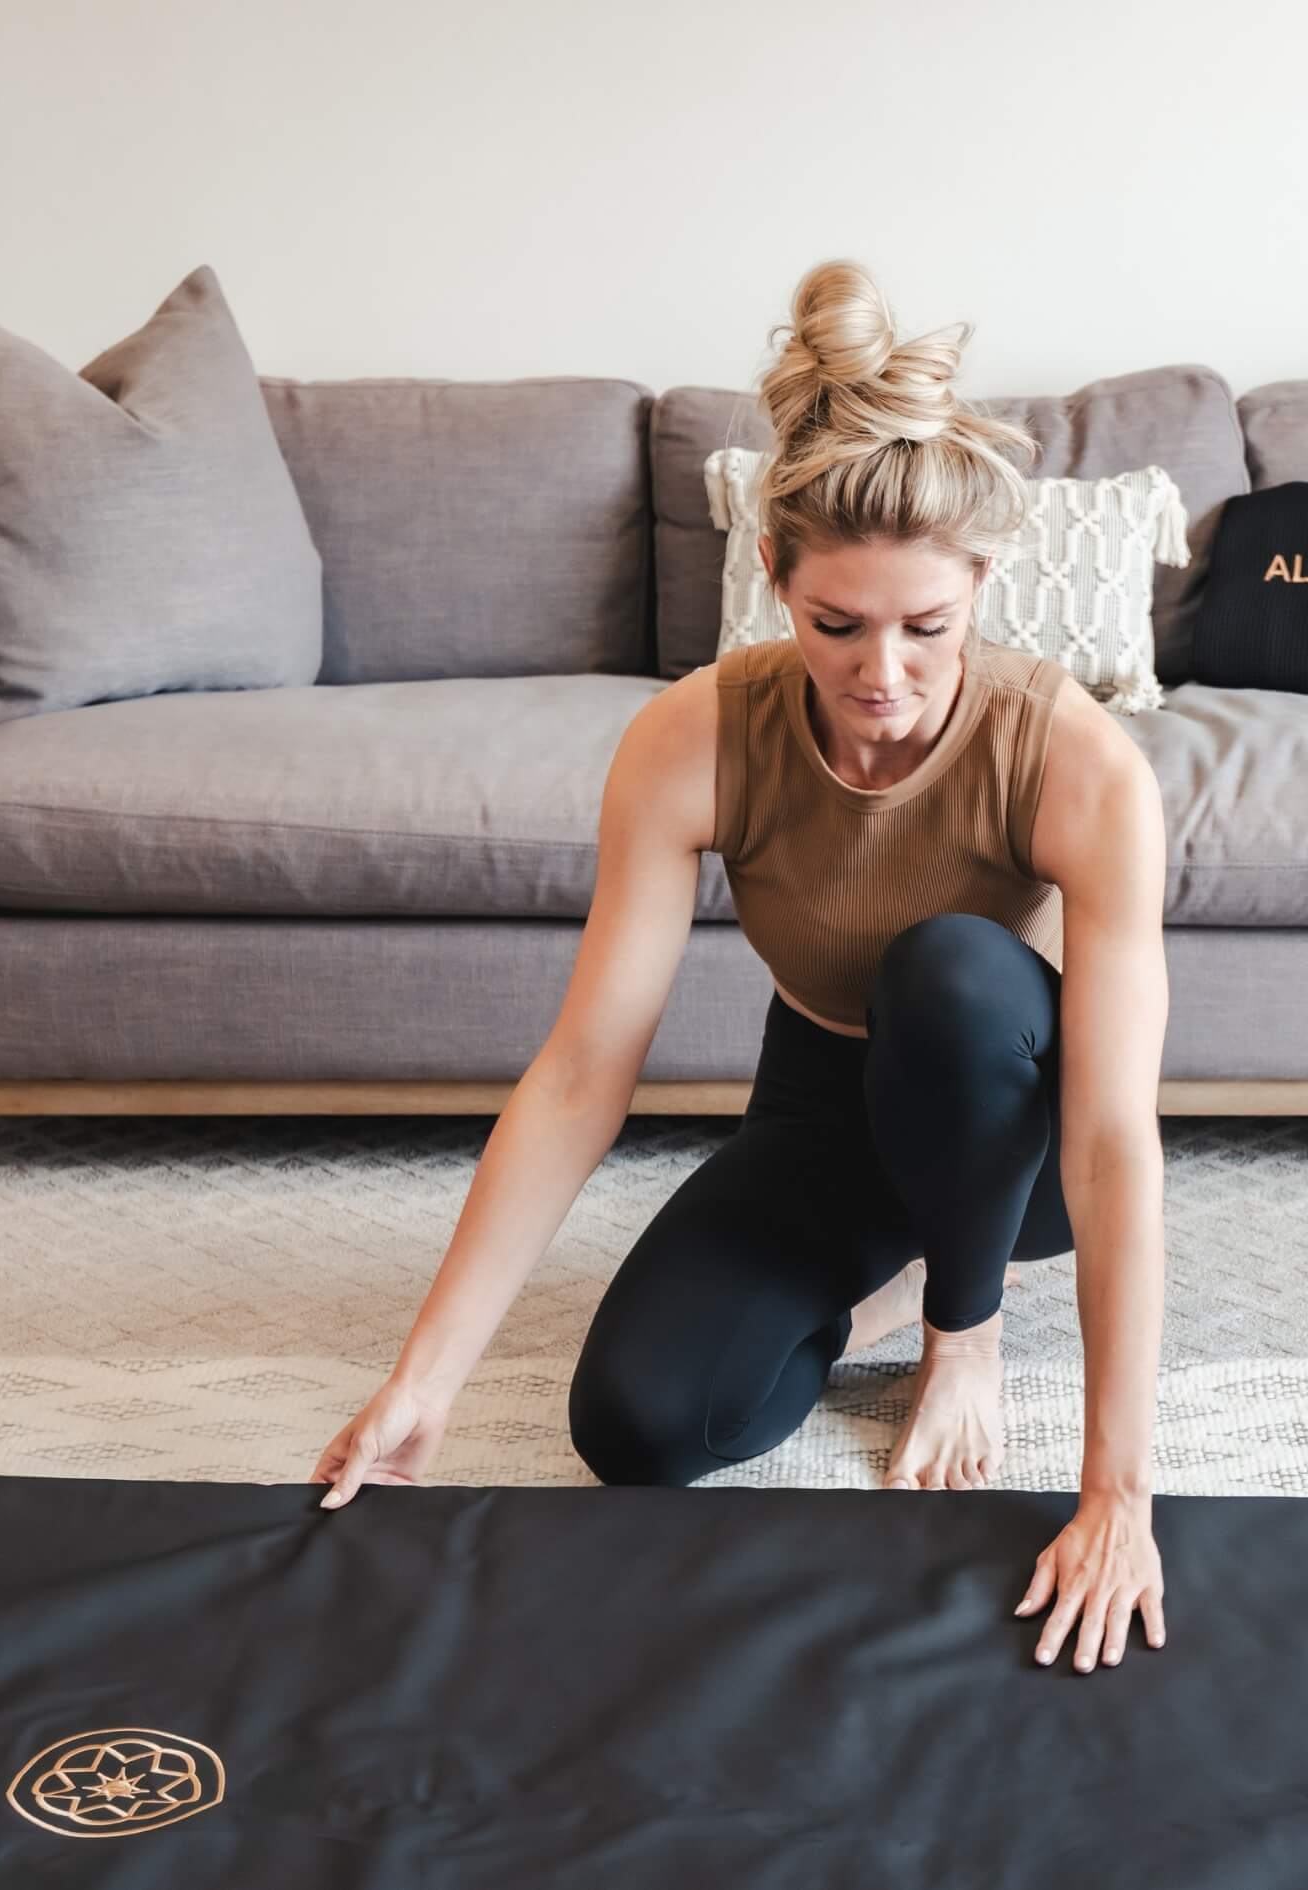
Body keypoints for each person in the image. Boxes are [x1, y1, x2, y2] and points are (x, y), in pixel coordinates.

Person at [310, 259, 1172, 1676]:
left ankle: (957, 1316)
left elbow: (1110, 1131)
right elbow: (587, 1066)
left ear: (982, 588)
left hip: (1006, 1135)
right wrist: (426, 1377)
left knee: (950, 974)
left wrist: (1114, 1492)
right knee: (641, 1428)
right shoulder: (694, 734)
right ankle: (883, 1278)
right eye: (835, 625)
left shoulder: (1076, 759)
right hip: (826, 1102)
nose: (882, 674)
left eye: (925, 627)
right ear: (772, 580)